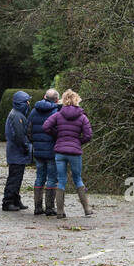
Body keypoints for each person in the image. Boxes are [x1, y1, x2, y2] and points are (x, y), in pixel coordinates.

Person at [41, 88, 93, 217]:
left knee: (62, 180)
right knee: (77, 179)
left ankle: (59, 212)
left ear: (64, 100)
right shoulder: (82, 117)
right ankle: (87, 209)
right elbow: (88, 135)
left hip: (60, 152)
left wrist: (58, 136)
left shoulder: (58, 115)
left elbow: (46, 127)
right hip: (75, 153)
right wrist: (77, 142)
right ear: (77, 100)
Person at [28, 89, 62, 215]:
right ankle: (49, 207)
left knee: (39, 177)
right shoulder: (56, 112)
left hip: (38, 151)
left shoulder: (34, 111)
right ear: (57, 100)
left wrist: (35, 142)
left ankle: (37, 207)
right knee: (52, 179)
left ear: (44, 97)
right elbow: (59, 131)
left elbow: (29, 130)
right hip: (52, 151)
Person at [2, 90, 32, 212]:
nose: (29, 103)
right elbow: (19, 136)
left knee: (17, 177)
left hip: (16, 152)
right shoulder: (17, 116)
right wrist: (26, 147)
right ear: (22, 103)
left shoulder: (17, 114)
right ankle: (8, 201)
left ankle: (15, 199)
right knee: (14, 177)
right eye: (27, 101)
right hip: (17, 152)